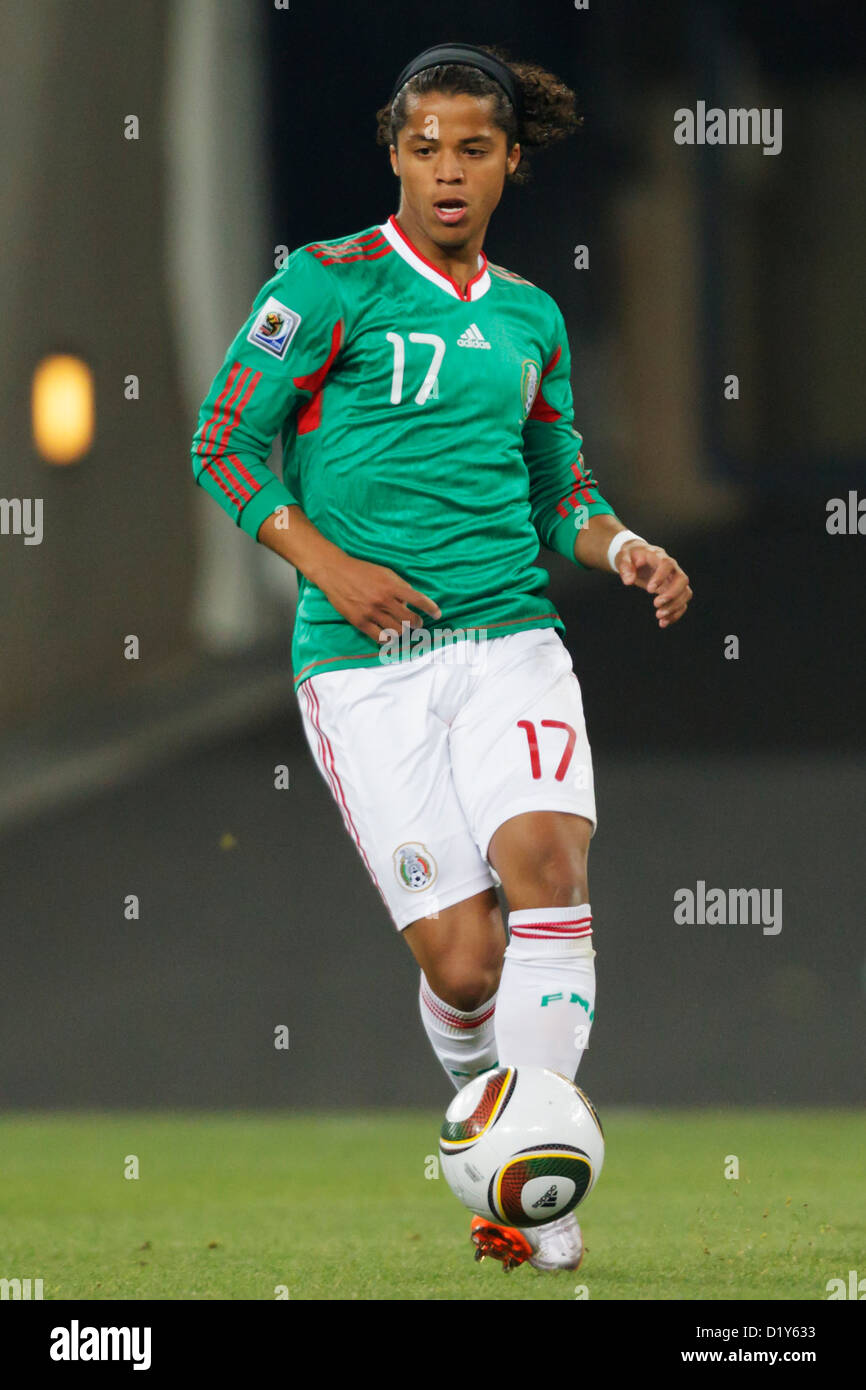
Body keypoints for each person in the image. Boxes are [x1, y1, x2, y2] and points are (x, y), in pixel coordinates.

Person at [191, 41, 692, 1275]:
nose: (448, 171)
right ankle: (492, 1130)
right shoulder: (325, 285)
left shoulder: (529, 314)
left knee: (547, 859)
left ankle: (527, 1186)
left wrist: (618, 542)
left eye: (474, 148)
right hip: (364, 667)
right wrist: (328, 564)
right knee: (465, 968)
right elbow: (221, 440)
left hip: (509, 636)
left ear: (510, 160)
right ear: (396, 156)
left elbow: (555, 480)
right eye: (425, 148)